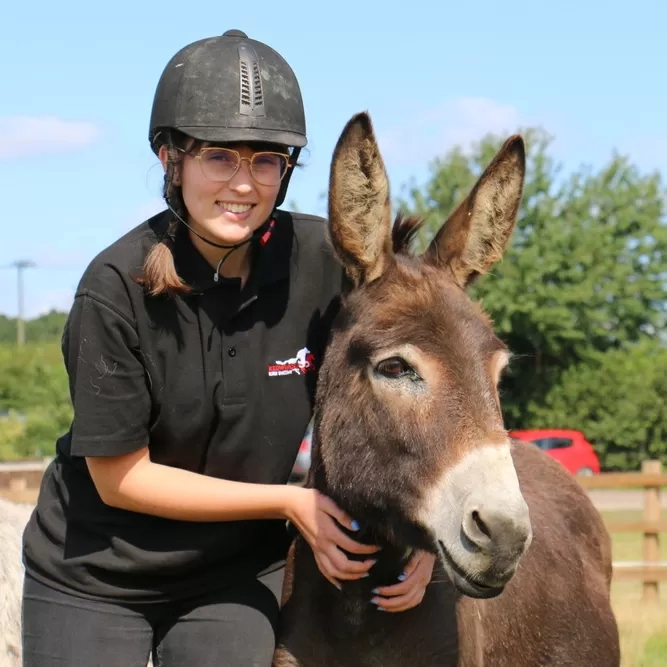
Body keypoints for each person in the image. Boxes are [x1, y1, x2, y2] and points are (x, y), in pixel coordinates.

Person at [20, 30, 436, 666]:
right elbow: (119, 477)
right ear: (171, 160)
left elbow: (424, 377)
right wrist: (287, 500)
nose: (244, 185)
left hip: (231, 578)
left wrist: (426, 526)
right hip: (95, 575)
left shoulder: (327, 264)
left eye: (265, 160)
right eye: (221, 157)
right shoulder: (112, 289)